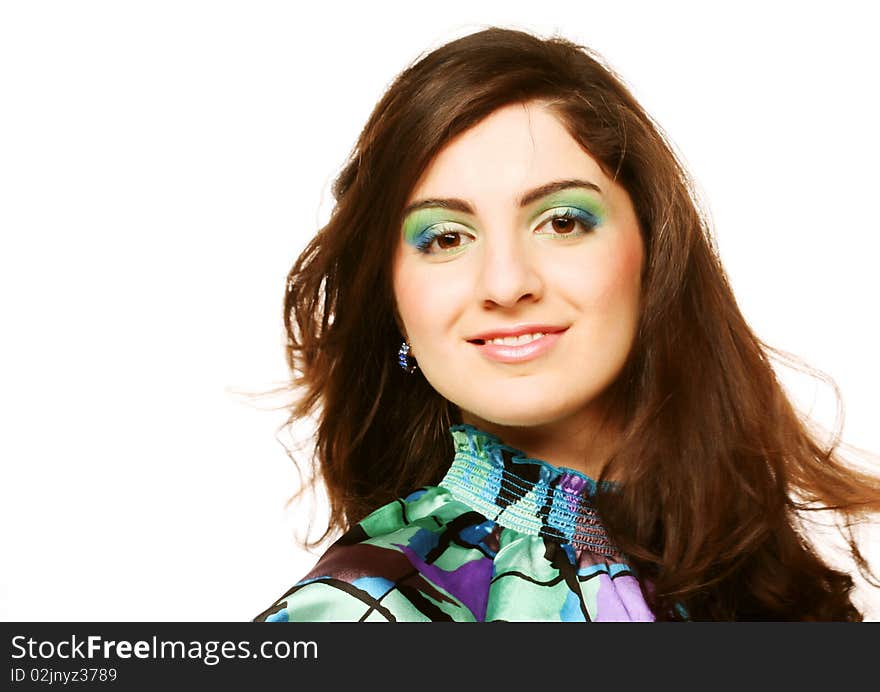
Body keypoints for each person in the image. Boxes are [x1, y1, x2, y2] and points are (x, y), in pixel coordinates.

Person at [253, 26, 880, 622]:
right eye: (446, 236)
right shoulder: (359, 611)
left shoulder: (755, 568)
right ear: (392, 299)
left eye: (561, 222)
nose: (505, 284)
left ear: (654, 253)